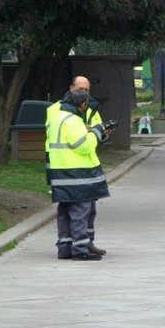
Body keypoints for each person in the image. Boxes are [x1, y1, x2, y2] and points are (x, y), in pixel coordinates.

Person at [45, 76, 111, 257]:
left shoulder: (59, 116)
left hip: (60, 168)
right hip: (77, 171)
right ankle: (80, 248)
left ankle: (65, 247)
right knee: (81, 210)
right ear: (82, 105)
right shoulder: (73, 121)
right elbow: (83, 145)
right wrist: (96, 132)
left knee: (65, 209)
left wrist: (100, 133)